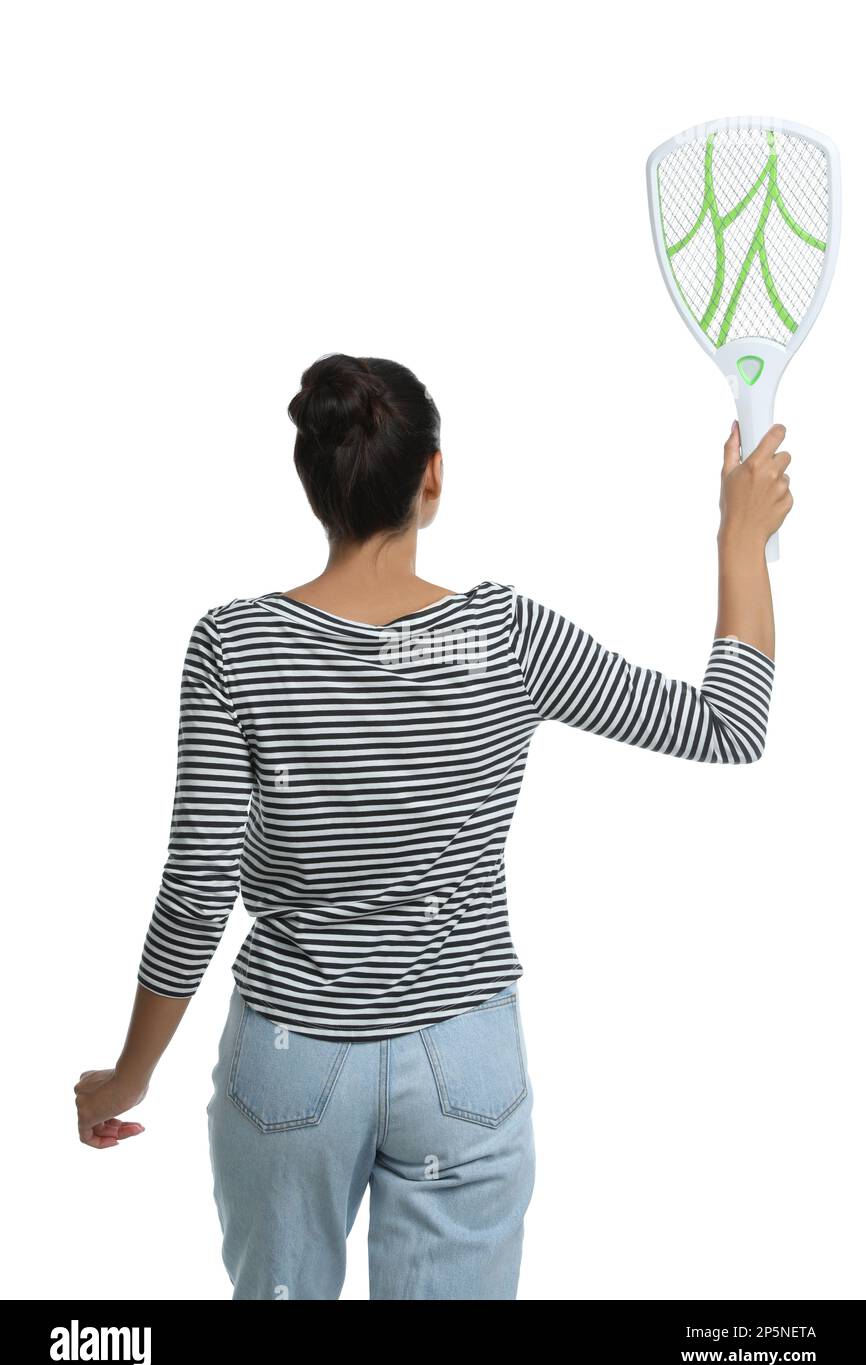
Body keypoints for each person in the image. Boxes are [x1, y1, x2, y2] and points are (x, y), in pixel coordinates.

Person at [75, 352, 792, 1300]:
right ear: (434, 475)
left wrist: (126, 1078)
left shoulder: (233, 646)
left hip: (291, 1060)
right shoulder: (504, 636)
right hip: (465, 1060)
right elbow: (727, 725)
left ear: (313, 484)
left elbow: (199, 888)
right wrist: (738, 542)